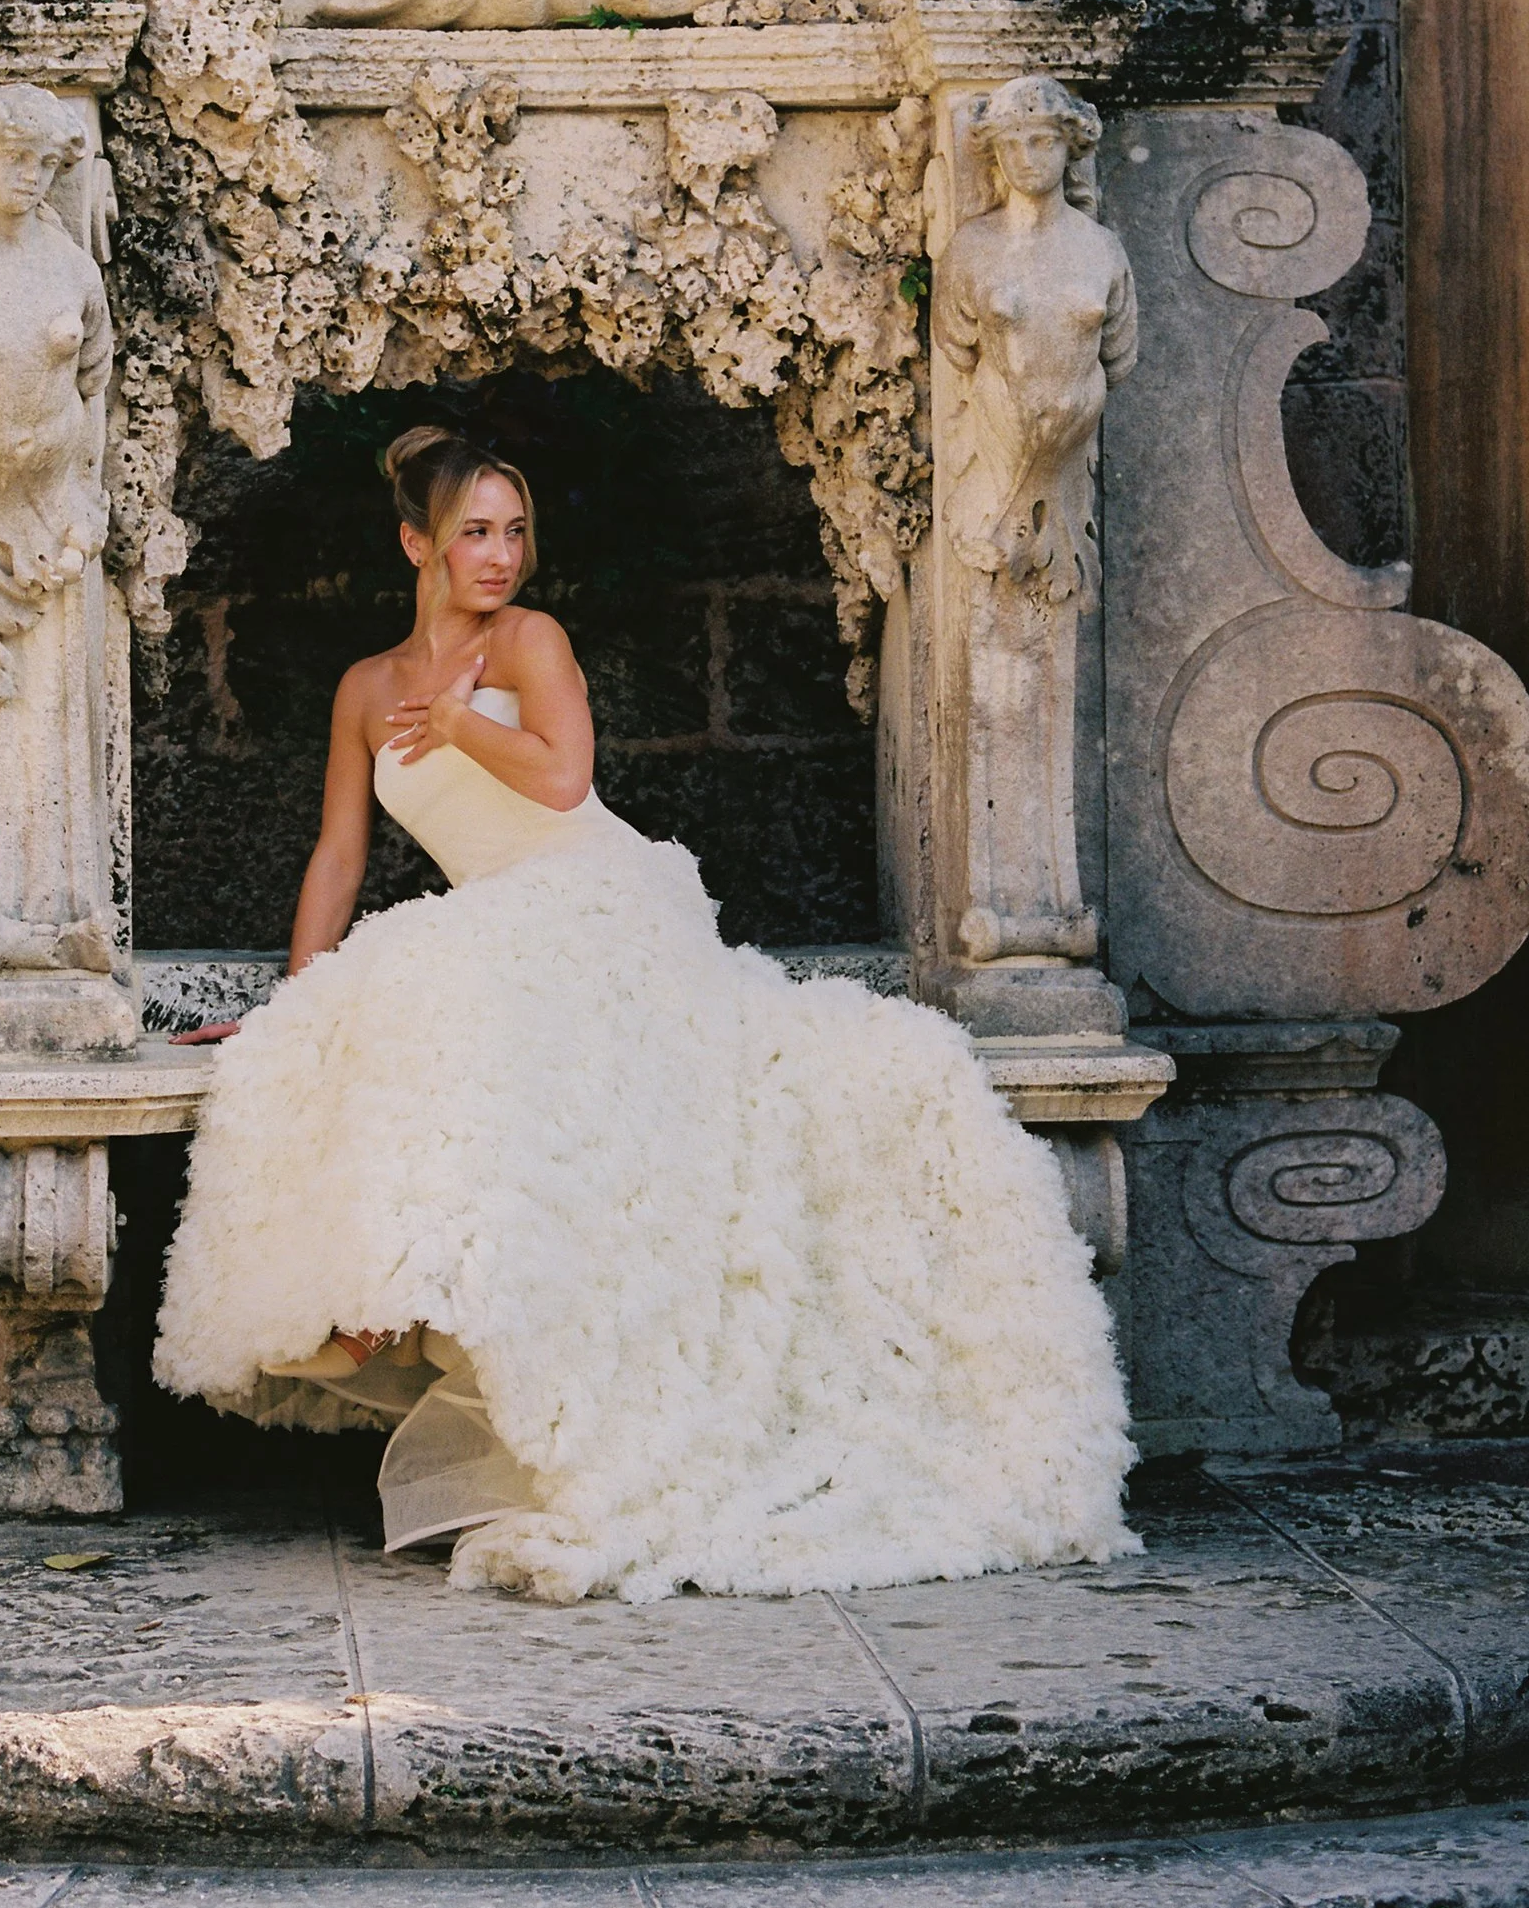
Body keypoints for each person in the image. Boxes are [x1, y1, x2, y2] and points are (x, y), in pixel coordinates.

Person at [152, 425, 1135, 1601]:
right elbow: (339, 853)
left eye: (515, 531)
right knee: (394, 1014)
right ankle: (394, 1291)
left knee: (472, 1003)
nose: (500, 555)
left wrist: (466, 723)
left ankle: (422, 1299)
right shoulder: (367, 688)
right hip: (502, 923)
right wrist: (295, 1003)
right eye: (474, 532)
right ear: (415, 541)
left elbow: (564, 780)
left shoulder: (529, 640)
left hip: (598, 892)